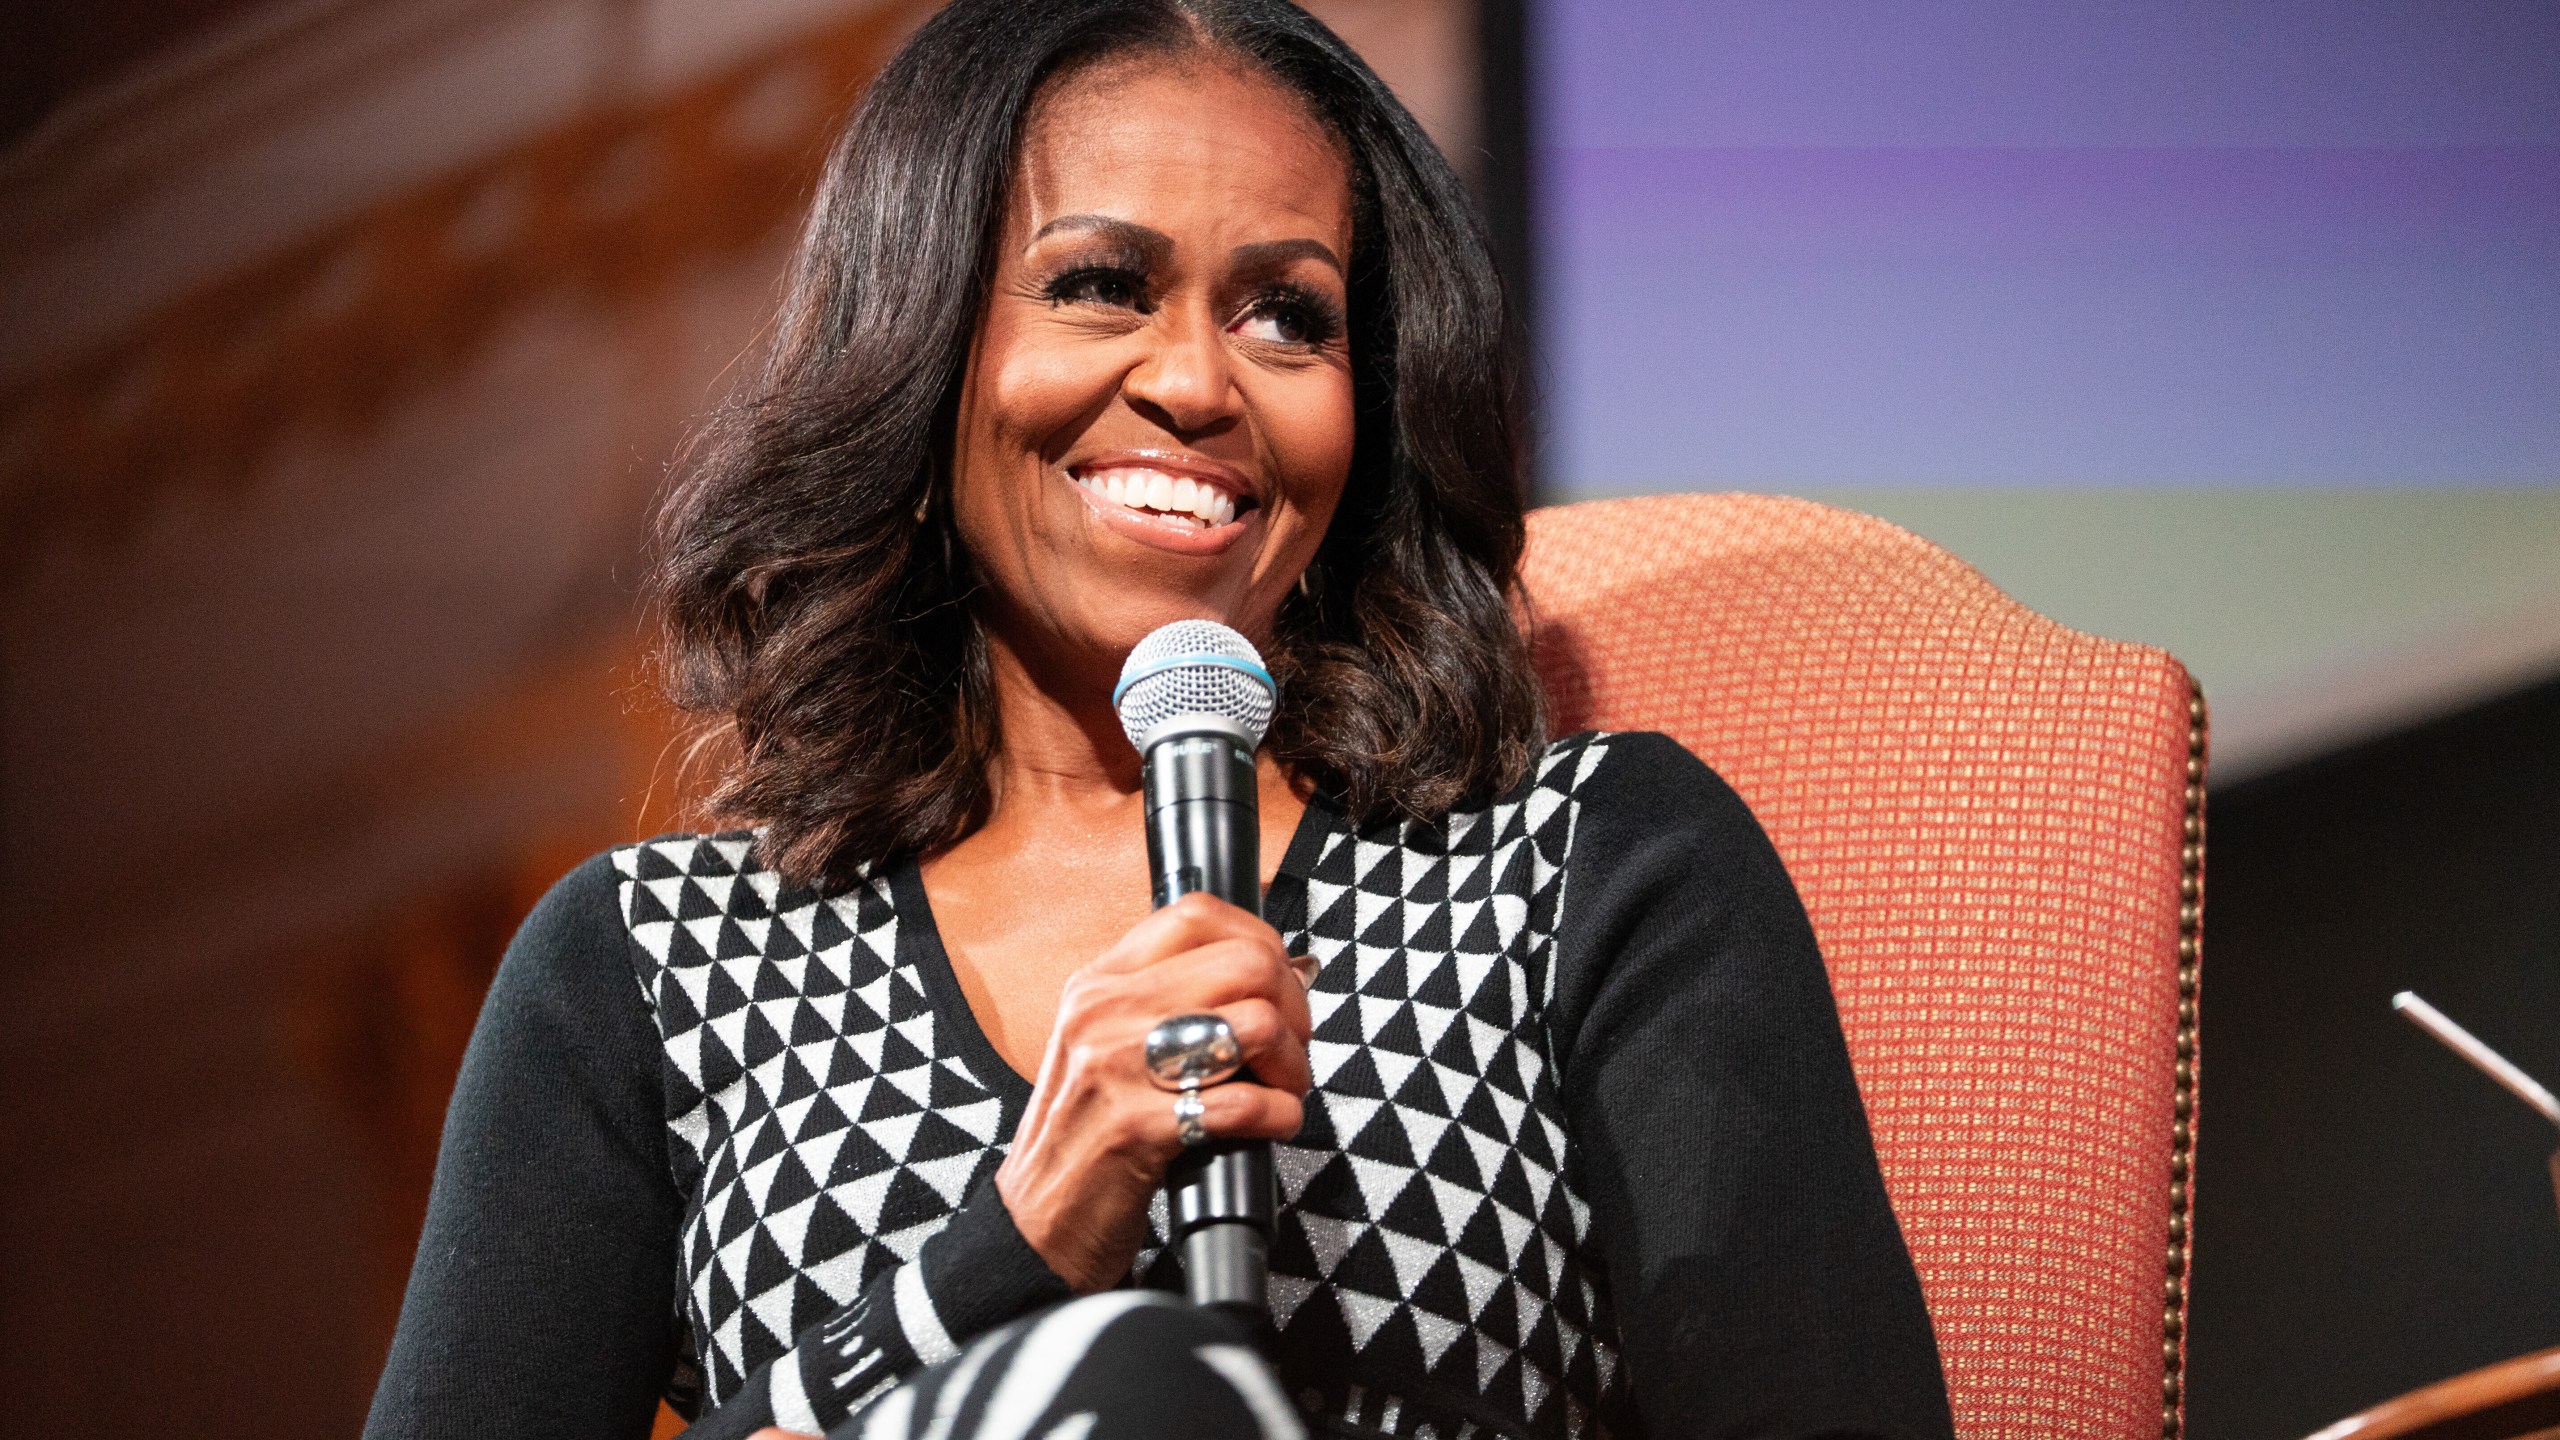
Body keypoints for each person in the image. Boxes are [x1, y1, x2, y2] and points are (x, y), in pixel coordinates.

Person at [364, 2, 1954, 1437]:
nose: (1199, 380)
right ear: (923, 355)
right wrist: (1014, 1250)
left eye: (1290, 317)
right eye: (1100, 286)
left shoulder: (1578, 871)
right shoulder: (656, 970)